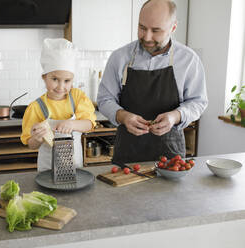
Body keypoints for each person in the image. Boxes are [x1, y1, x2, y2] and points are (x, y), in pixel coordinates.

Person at [97, 0, 208, 163]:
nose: (147, 37)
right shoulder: (119, 58)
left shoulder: (189, 59)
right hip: (127, 155)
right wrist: (123, 116)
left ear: (173, 28)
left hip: (171, 157)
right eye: (142, 28)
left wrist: (175, 116)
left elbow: (198, 102)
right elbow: (104, 99)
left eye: (156, 30)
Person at [21, 38, 96, 172]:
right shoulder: (36, 107)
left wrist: (72, 124)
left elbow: (89, 124)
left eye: (67, 81)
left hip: (74, 167)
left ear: (73, 80)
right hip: (47, 169)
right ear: (44, 77)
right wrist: (37, 138)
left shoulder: (78, 97)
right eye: (55, 79)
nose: (61, 87)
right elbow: (31, 145)